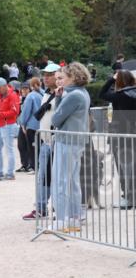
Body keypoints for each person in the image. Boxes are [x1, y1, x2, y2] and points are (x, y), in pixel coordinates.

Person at [49, 62, 92, 232]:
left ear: (73, 77)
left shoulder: (73, 95)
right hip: (76, 141)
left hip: (67, 141)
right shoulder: (83, 93)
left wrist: (59, 98)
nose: (60, 81)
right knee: (72, 181)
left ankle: (60, 220)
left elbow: (55, 119)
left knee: (60, 181)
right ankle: (74, 218)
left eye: (63, 77)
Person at [23, 63, 62, 220]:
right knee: (43, 176)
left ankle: (53, 208)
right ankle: (40, 207)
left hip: (55, 140)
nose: (46, 78)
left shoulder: (62, 94)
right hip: (46, 140)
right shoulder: (45, 94)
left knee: (54, 177)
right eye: (45, 75)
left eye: (50, 75)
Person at [100, 69, 136, 208]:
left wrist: (111, 79)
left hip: (120, 135)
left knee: (123, 168)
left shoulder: (119, 95)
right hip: (132, 133)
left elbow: (102, 93)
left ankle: (128, 197)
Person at [0, 78, 21, 181]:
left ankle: (10, 173)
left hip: (8, 125)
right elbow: (2, 108)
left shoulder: (13, 95)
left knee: (8, 150)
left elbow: (15, 112)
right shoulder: (0, 94)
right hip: (0, 125)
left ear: (4, 86)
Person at [17, 78, 41, 173]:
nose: (24, 90)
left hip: (29, 124)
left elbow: (26, 112)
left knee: (30, 146)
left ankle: (32, 165)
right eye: (23, 89)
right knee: (22, 145)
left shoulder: (31, 97)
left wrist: (22, 124)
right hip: (29, 124)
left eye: (26, 88)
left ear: (30, 88)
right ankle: (26, 164)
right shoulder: (39, 94)